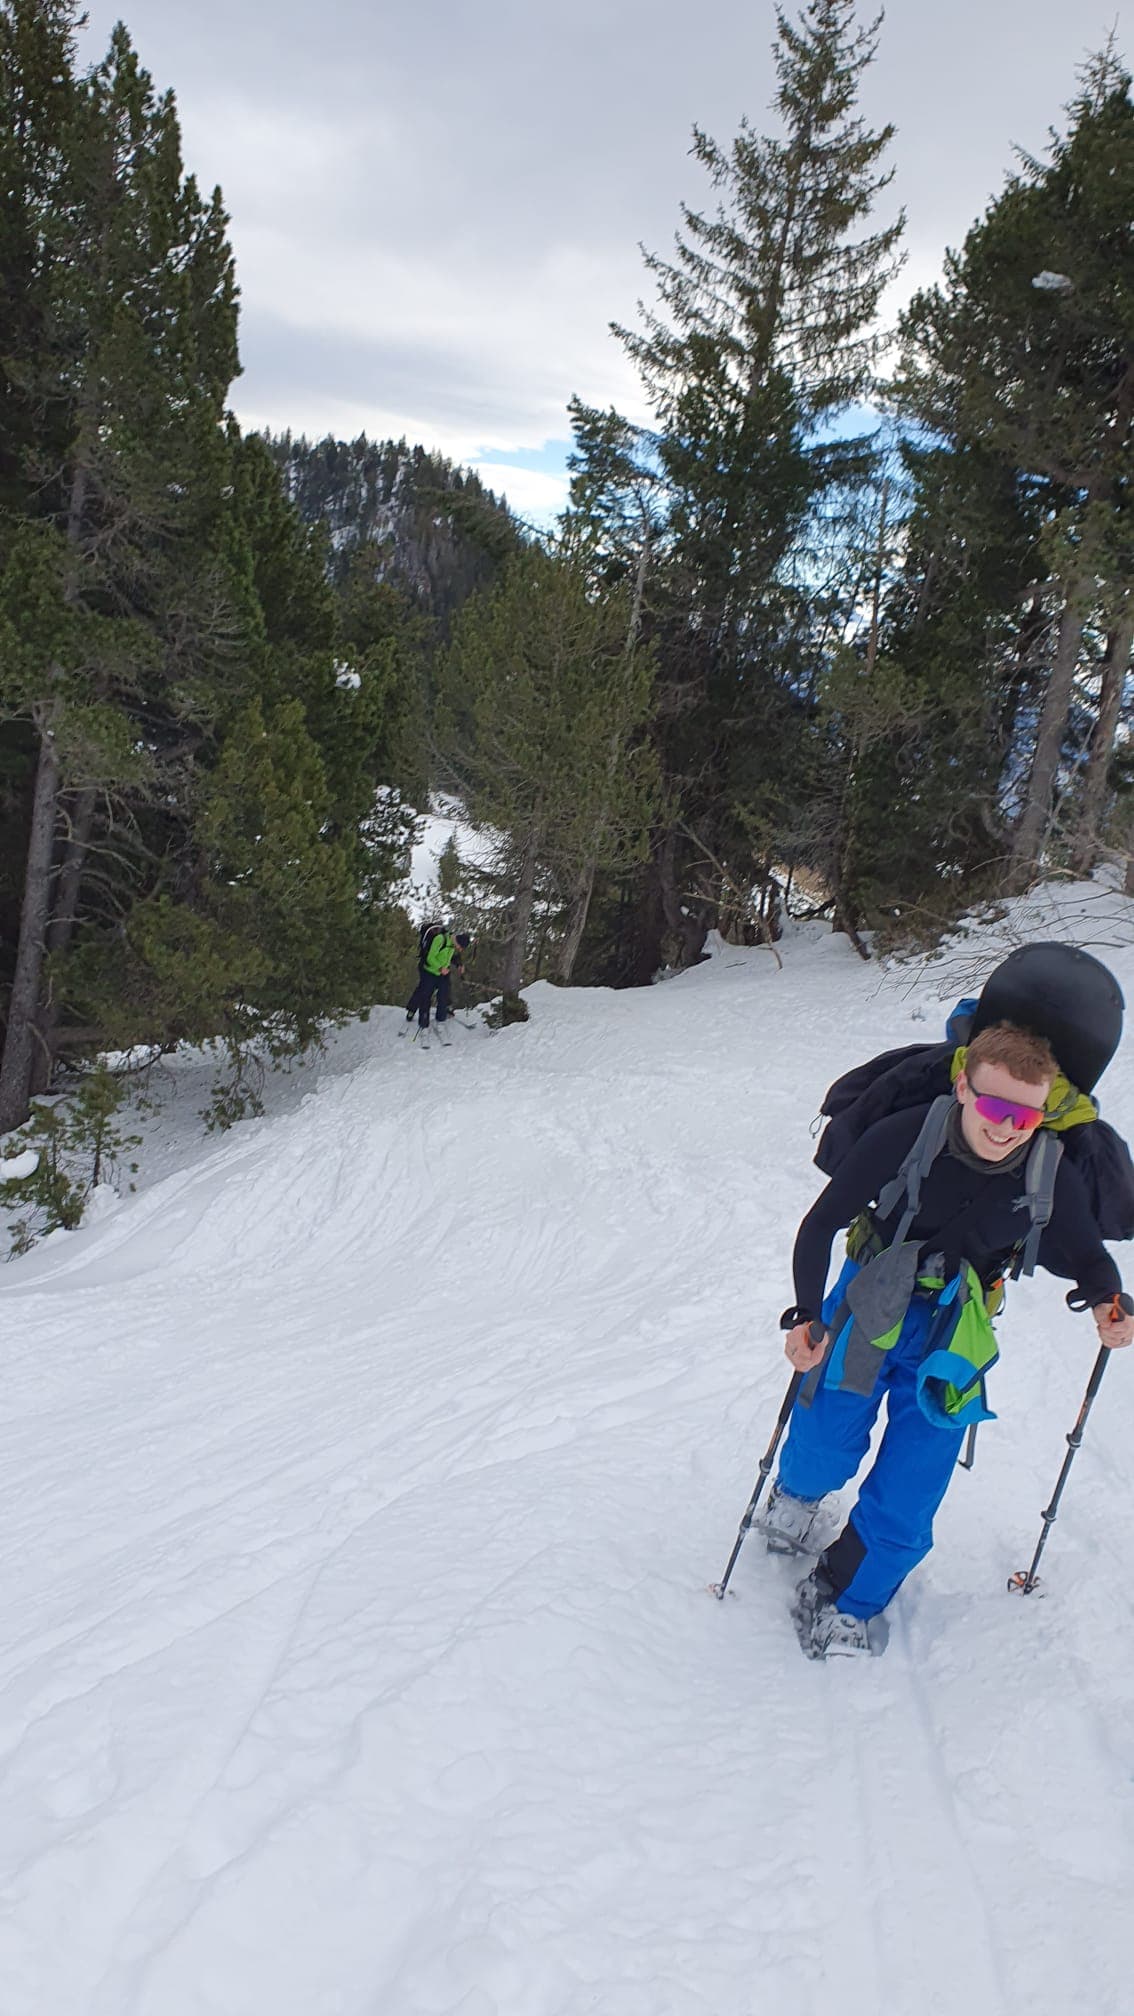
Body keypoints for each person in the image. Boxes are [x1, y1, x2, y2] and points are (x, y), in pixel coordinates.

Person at [759, 1020, 1134, 1659]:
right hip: (870, 1297)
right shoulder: (905, 1137)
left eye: (1025, 1116)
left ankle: (848, 1597)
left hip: (957, 1328)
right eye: (992, 1105)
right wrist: (804, 1316)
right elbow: (819, 1225)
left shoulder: (1048, 1166)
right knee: (825, 1435)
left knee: (915, 1483)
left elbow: (1088, 1255)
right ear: (963, 1086)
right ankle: (796, 1495)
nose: (1006, 1126)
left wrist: (1109, 1301)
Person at [404, 926, 473, 1038]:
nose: (460, 950)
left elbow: (451, 957)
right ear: (458, 942)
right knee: (424, 995)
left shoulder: (452, 944)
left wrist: (459, 965)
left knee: (444, 994)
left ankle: (441, 1019)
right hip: (428, 970)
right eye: (461, 947)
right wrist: (440, 968)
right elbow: (430, 958)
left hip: (442, 973)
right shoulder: (440, 939)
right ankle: (419, 1019)